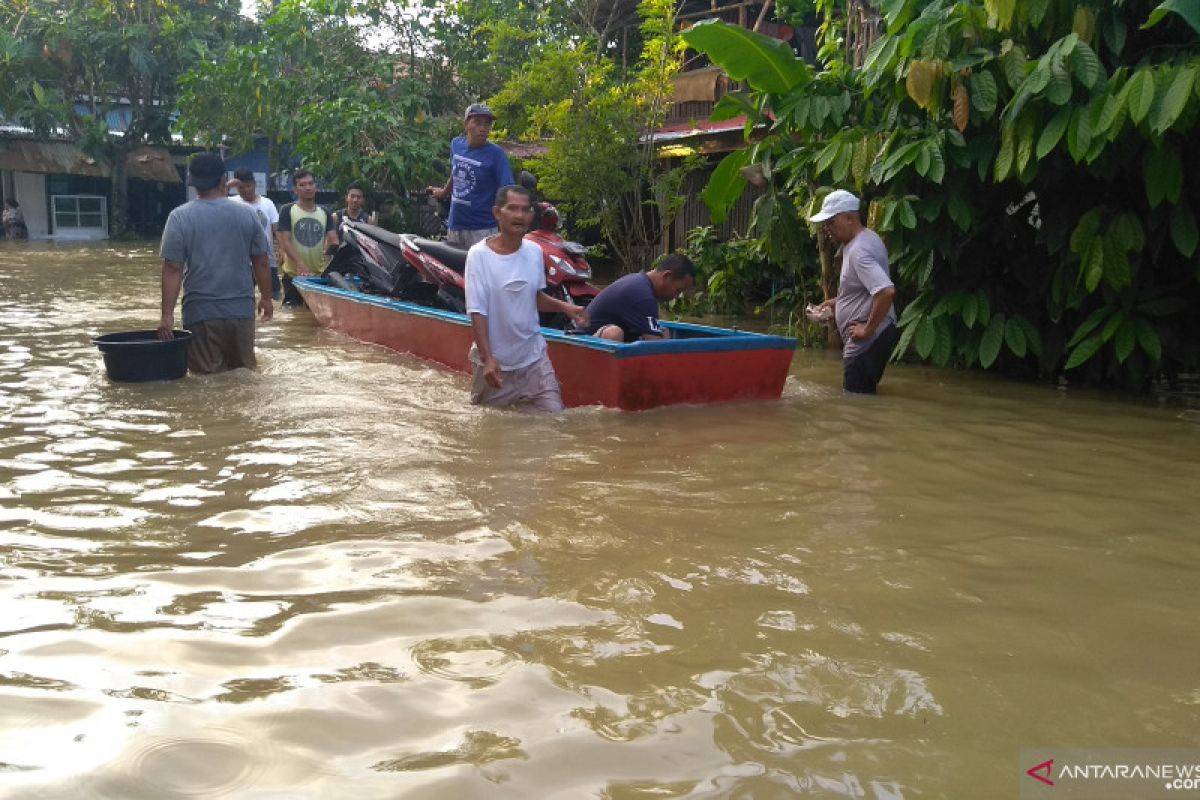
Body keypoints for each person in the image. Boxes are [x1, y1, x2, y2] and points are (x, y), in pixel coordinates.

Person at [465, 184, 588, 412]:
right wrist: (488, 358)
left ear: (532, 215)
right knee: (489, 433)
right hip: (496, 364)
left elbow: (533, 297)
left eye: (525, 210)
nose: (519, 215)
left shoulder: (534, 252)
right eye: (512, 209)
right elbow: (477, 311)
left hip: (534, 360)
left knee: (554, 421)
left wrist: (566, 307)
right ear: (497, 213)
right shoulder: (479, 255)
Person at [158, 152, 272, 374]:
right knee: (245, 376)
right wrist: (266, 298)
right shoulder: (248, 214)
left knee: (206, 381)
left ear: (192, 183)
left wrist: (167, 315)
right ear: (223, 180)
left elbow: (173, 268)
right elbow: (262, 262)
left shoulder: (179, 217)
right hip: (241, 311)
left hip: (200, 313)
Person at [809, 189, 898, 394]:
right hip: (876, 336)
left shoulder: (858, 251)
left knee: (854, 404)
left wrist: (867, 329)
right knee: (861, 398)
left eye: (831, 222)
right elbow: (866, 290)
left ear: (849, 218)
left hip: (868, 340)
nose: (827, 229)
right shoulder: (866, 239)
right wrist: (836, 303)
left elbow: (886, 291)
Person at [427, 103, 515, 249]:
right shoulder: (456, 144)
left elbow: (508, 190)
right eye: (478, 123)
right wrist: (444, 192)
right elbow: (456, 172)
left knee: (481, 271)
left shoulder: (496, 154)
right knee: (454, 270)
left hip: (483, 229)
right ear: (466, 124)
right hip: (455, 224)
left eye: (487, 124)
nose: (483, 128)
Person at [583, 253, 696, 342]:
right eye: (677, 290)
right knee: (614, 333)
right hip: (585, 341)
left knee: (663, 331)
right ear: (667, 276)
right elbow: (655, 345)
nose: (676, 296)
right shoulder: (642, 295)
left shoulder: (641, 284)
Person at [277, 169, 337, 307]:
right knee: (293, 316)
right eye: (302, 185)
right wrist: (301, 265)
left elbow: (334, 241)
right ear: (295, 190)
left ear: (316, 186)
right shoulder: (287, 210)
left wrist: (328, 263)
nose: (308, 187)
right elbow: (285, 241)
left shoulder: (325, 212)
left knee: (315, 317)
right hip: (293, 274)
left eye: (311, 183)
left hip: (318, 276)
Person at [229, 168, 281, 300]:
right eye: (241, 187)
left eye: (248, 186)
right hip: (240, 262)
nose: (246, 190)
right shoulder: (230, 203)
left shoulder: (267, 203)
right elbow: (213, 203)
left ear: (254, 184)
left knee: (274, 298)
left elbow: (277, 230)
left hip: (267, 260)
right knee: (241, 298)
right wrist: (227, 186)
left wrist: (282, 250)